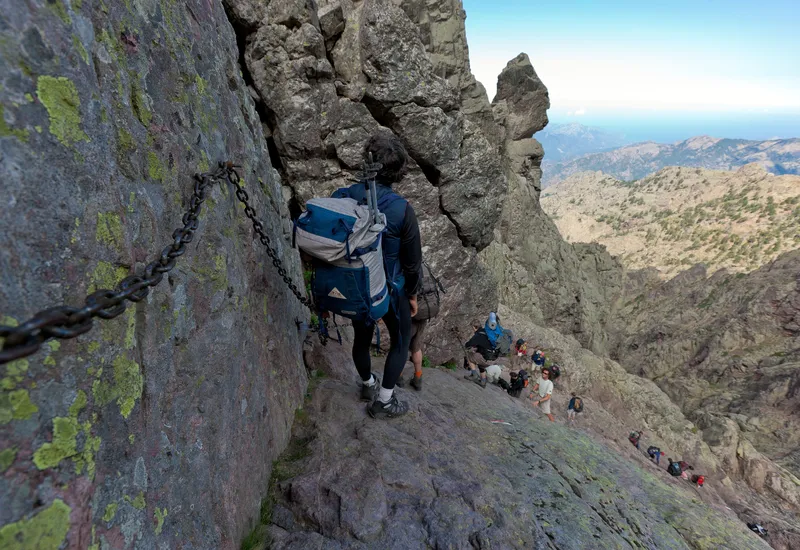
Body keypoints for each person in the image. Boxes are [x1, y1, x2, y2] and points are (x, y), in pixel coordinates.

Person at [333, 134, 422, 419]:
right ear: (398, 172)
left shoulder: (343, 195)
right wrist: (412, 293)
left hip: (356, 284)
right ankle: (384, 401)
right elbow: (412, 264)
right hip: (391, 289)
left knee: (361, 338)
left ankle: (368, 384)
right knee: (401, 340)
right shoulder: (402, 210)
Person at [464, 319, 496, 388]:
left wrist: (467, 345)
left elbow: (468, 345)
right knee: (480, 361)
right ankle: (483, 381)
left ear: (474, 327)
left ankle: (474, 375)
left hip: (486, 358)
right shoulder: (487, 332)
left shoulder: (478, 335)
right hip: (493, 359)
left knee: (469, 355)